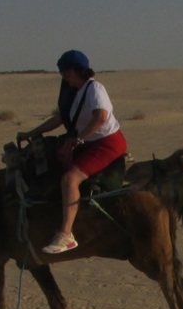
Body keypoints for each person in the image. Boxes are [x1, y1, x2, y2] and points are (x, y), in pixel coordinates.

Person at [16, 50, 128, 254]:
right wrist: (31, 133)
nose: (64, 78)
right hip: (91, 141)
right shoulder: (77, 92)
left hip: (107, 143)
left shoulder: (95, 89)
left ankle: (66, 234)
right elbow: (60, 119)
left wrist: (77, 140)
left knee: (70, 179)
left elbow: (101, 117)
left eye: (66, 74)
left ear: (77, 71)